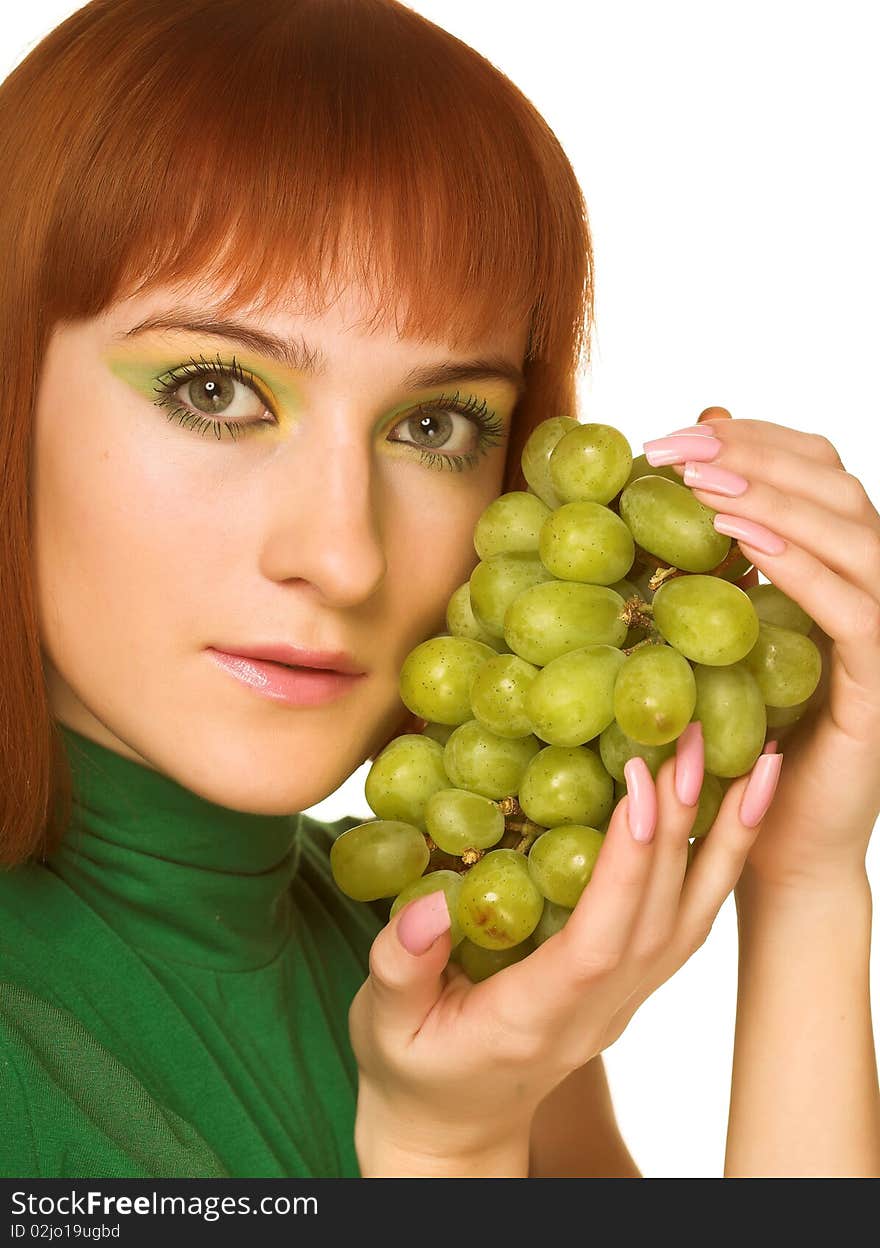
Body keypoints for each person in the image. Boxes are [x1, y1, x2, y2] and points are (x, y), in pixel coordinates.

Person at [0, 0, 877, 1180]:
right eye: (215, 391)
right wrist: (443, 1152)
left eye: (433, 423)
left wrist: (810, 886)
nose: (345, 556)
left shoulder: (442, 952)